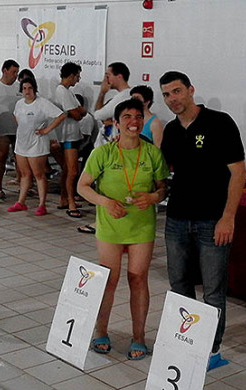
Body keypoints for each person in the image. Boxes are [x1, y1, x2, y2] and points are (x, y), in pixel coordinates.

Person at [159, 71, 246, 371]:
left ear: (191, 90)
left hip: (213, 220)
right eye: (167, 94)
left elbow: (238, 173)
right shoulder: (171, 131)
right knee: (179, 283)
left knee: (212, 289)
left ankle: (211, 350)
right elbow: (163, 173)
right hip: (177, 220)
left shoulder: (220, 123)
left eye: (177, 91)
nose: (172, 99)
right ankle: (188, 340)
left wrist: (228, 217)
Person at [77, 98, 169, 360]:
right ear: (116, 123)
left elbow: (163, 188)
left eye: (138, 117)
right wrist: (105, 202)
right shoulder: (103, 153)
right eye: (127, 117)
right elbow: (82, 187)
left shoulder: (152, 153)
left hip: (141, 226)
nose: (133, 122)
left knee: (138, 279)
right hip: (110, 226)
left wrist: (152, 198)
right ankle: (101, 331)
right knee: (108, 280)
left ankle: (138, 337)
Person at [8, 77, 66, 216]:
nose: (27, 91)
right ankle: (21, 202)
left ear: (34, 89)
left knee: (38, 174)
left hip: (37, 144)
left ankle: (42, 204)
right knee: (25, 174)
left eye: (29, 88)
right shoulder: (19, 104)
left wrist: (46, 130)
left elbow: (61, 115)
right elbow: (16, 117)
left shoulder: (43, 103)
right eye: (24, 89)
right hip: (22, 143)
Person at [53, 62, 87, 218]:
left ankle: (64, 199)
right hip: (67, 136)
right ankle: (71, 203)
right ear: (71, 75)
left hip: (71, 135)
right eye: (77, 77)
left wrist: (79, 112)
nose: (78, 80)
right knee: (72, 171)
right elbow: (76, 114)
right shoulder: (62, 91)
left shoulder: (68, 91)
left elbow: (81, 111)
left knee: (67, 170)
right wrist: (79, 112)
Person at [0, 59, 21, 199]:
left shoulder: (20, 87)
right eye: (13, 72)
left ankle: (24, 185)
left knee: (21, 159)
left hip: (19, 129)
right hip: (1, 130)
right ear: (4, 70)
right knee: (1, 156)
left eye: (17, 73)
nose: (15, 75)